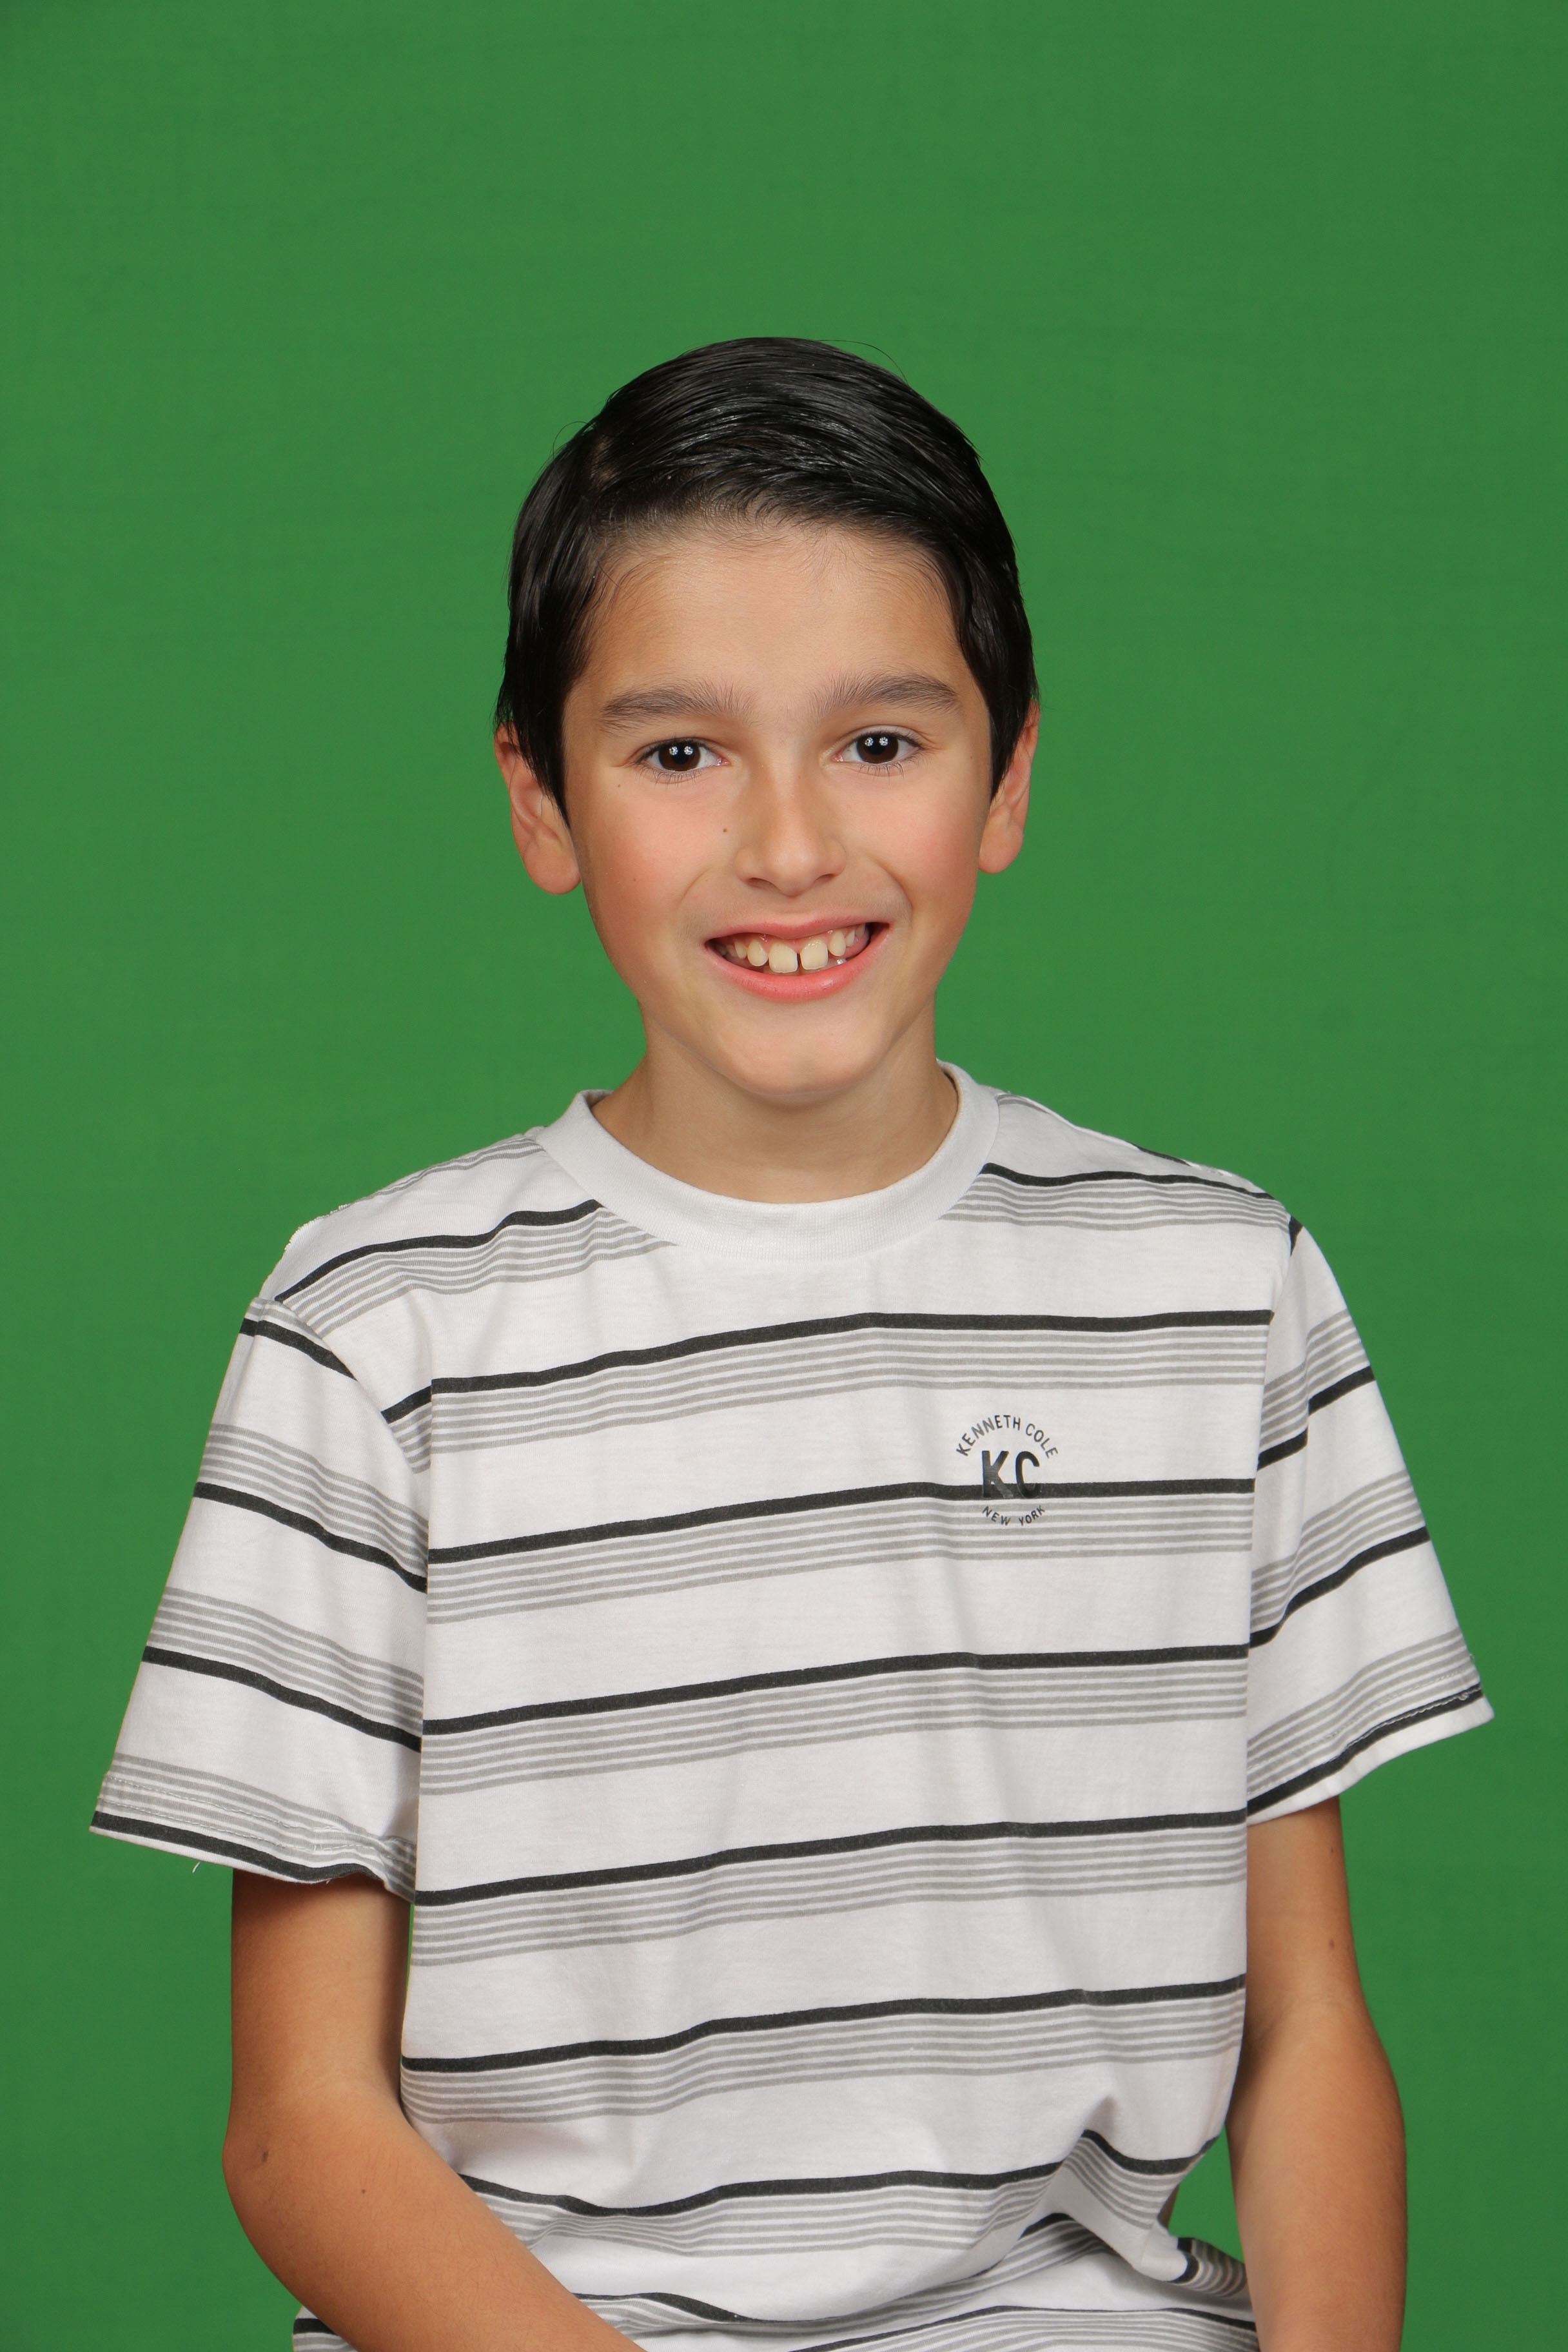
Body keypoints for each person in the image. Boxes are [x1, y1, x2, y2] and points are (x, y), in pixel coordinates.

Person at [93, 338, 1489, 2352]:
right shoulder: (372, 1335)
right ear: (541, 801)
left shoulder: (1220, 1287)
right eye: (680, 755)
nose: (789, 846)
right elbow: (301, 2127)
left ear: (1009, 776)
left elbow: (1308, 2032)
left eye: (880, 741)